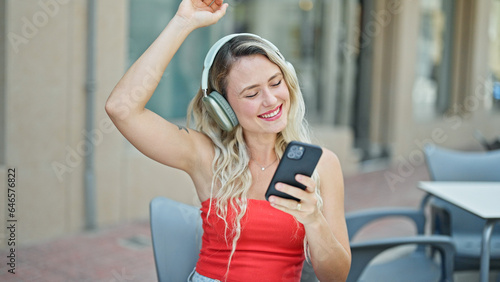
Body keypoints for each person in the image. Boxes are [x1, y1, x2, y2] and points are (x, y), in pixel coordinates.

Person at [105, 0, 351, 281]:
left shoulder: (323, 165)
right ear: (222, 108)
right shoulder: (204, 156)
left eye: (275, 82)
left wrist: (314, 220)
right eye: (251, 93)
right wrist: (183, 23)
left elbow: (337, 276)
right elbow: (122, 108)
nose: (270, 100)